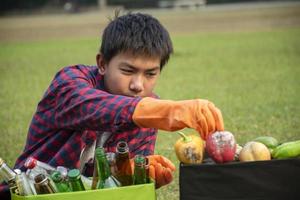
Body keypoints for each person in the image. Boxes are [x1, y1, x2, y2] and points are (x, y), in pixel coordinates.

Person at [0, 12, 224, 197]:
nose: (138, 85)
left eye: (150, 73)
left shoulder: (149, 111)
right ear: (102, 63)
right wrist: (169, 110)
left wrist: (138, 175)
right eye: (128, 71)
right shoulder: (69, 83)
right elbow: (94, 107)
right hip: (30, 193)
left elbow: (115, 186)